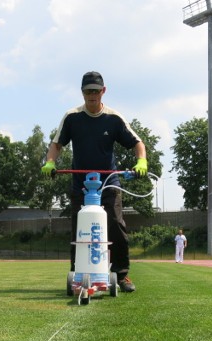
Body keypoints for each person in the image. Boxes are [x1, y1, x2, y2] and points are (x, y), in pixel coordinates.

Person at [41, 71, 147, 292]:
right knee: (78, 230)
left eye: (96, 91)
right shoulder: (72, 117)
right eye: (88, 91)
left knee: (116, 226)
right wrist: (50, 162)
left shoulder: (113, 118)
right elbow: (56, 144)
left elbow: (137, 143)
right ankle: (78, 274)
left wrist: (141, 162)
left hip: (108, 182)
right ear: (82, 92)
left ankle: (121, 275)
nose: (92, 95)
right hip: (81, 183)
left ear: (103, 91)